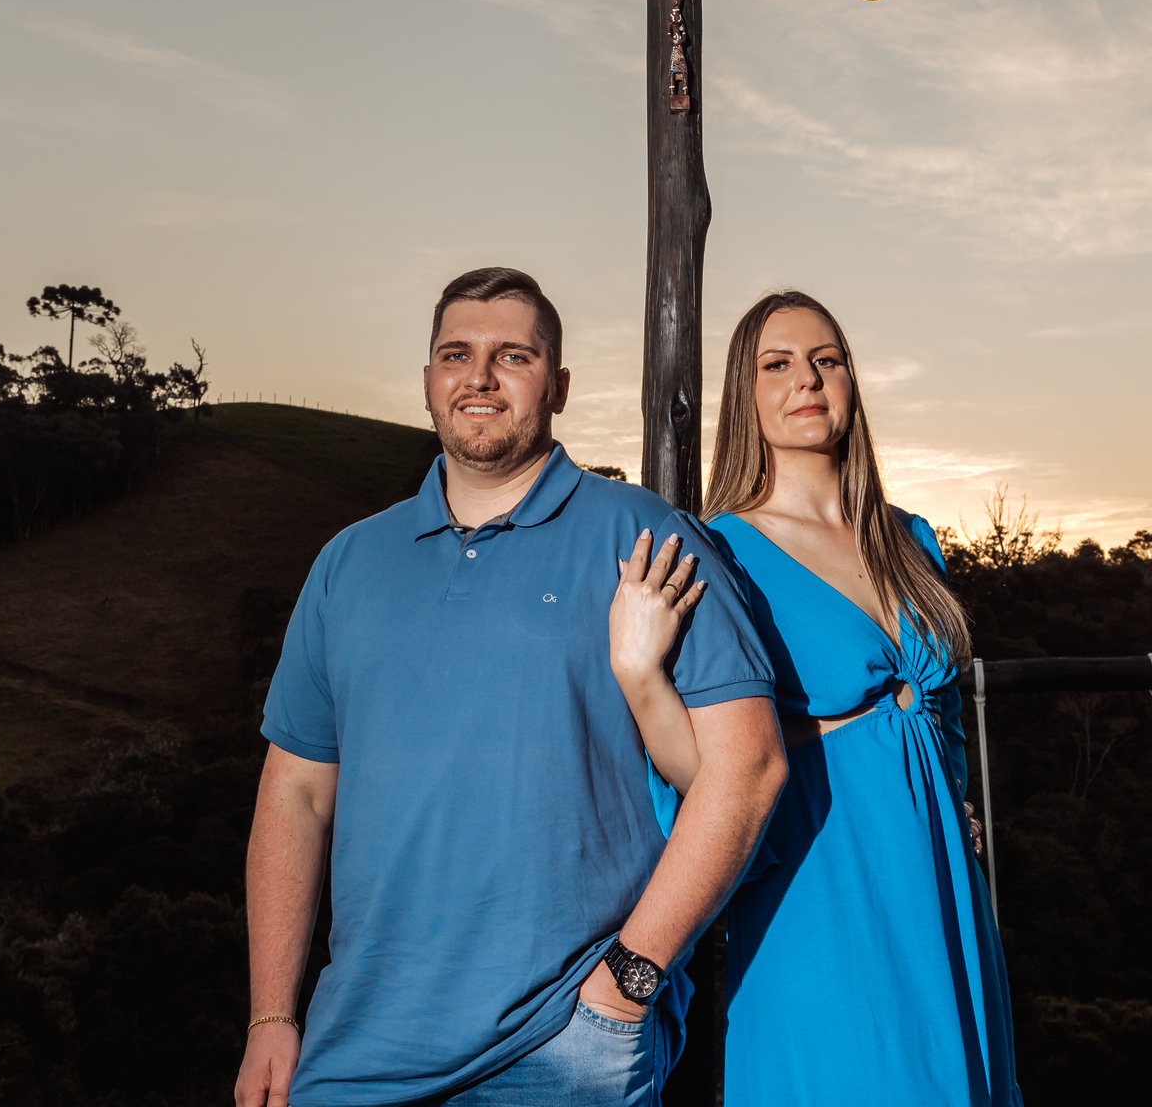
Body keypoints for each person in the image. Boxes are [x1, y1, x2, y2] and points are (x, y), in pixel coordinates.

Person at [235, 266, 787, 1107]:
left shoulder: (644, 533)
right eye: (456, 354)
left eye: (513, 356)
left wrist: (630, 981)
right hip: (354, 1054)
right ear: (428, 379)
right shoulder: (348, 563)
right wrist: (271, 1016)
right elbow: (296, 795)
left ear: (557, 385)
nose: (481, 377)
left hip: (560, 1046)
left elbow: (749, 769)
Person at [609, 289, 1023, 1107]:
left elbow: (940, 724)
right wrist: (640, 676)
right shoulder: (720, 551)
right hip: (818, 881)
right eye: (778, 364)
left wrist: (958, 804)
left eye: (825, 360)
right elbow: (707, 774)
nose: (807, 378)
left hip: (940, 881)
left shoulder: (911, 540)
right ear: (746, 395)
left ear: (851, 382)